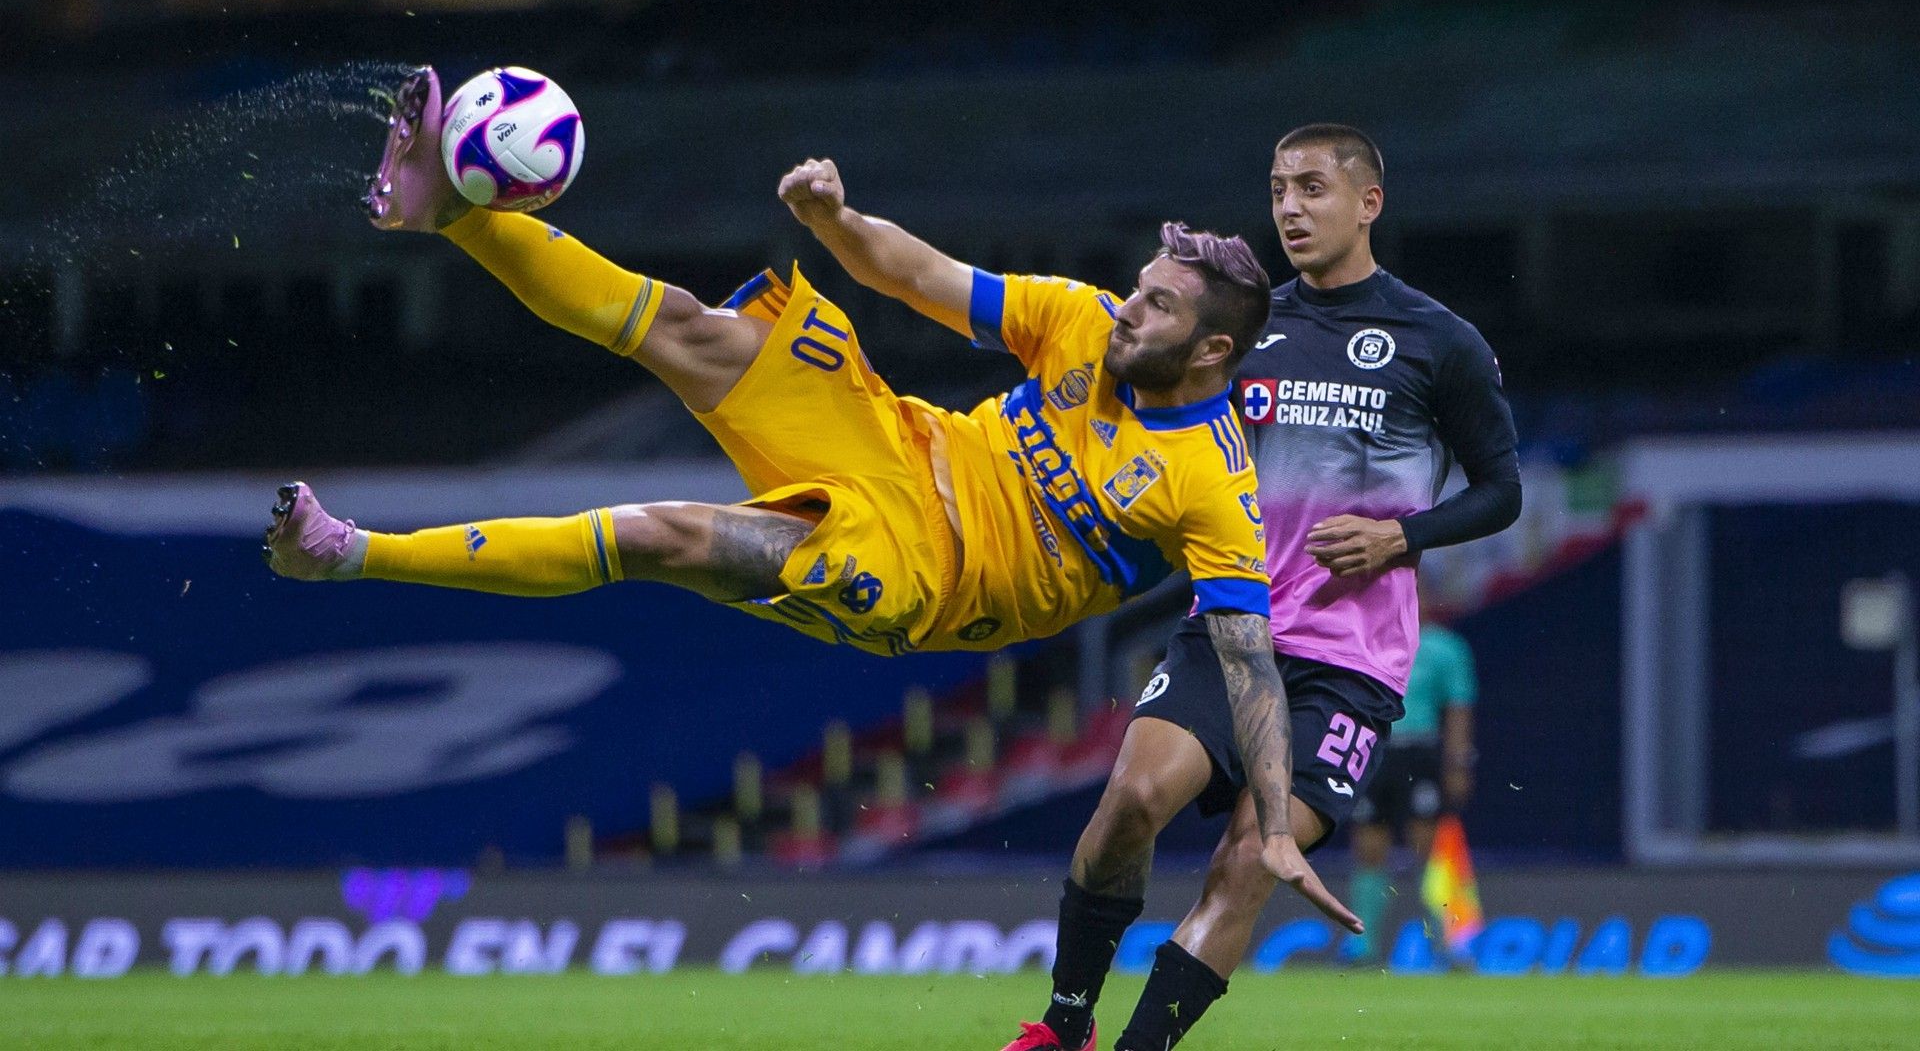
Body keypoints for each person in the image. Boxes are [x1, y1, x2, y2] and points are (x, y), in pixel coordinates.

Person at [264, 67, 1359, 918]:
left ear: (1214, 348)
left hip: (927, 575)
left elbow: (1249, 659)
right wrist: (836, 221)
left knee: (667, 535)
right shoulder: (1079, 317)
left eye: (1158, 311)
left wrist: (1271, 820)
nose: (1127, 312)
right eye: (1137, 290)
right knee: (694, 328)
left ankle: (351, 553)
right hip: (901, 445)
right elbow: (916, 276)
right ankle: (444, 211)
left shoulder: (1213, 485)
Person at [977, 124, 1521, 1051]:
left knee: (1245, 861)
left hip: (1350, 665)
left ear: (1367, 203)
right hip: (1235, 626)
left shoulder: (1440, 341)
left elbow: (1502, 489)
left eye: (1312, 188)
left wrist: (1402, 536)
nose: (1290, 209)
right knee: (1133, 800)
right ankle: (1065, 1024)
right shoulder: (1243, 327)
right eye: (1277, 190)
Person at [1338, 606, 1478, 964]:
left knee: (1428, 849)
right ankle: (1362, 947)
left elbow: (1459, 708)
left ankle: (1451, 942)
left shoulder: (1446, 647)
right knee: (1369, 848)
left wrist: (1458, 763)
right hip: (1375, 748)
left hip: (1421, 751)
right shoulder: (1366, 635)